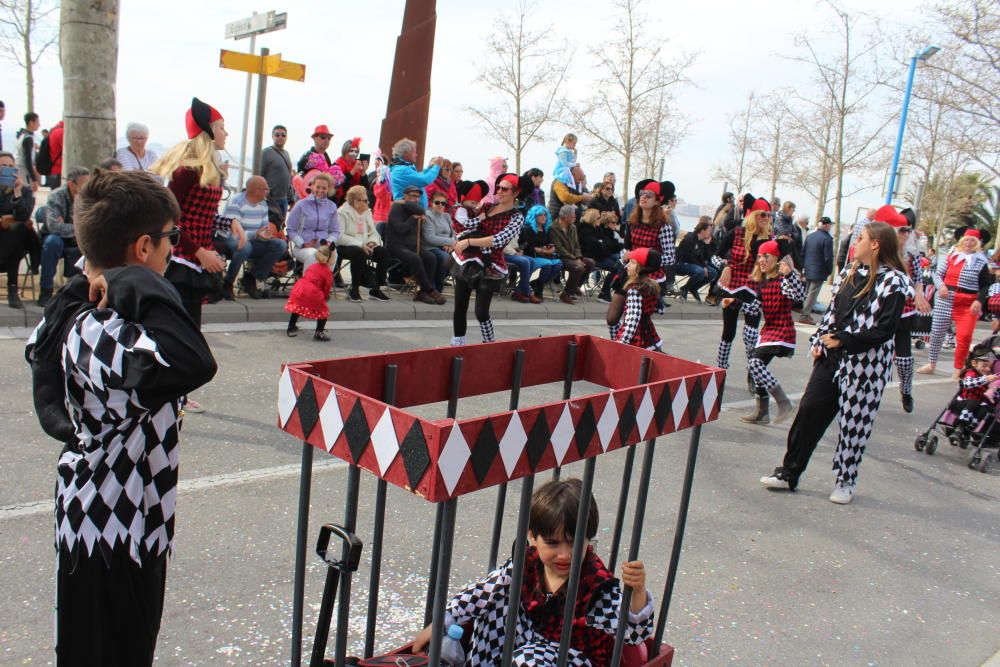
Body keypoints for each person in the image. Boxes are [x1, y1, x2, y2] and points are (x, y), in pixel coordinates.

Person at [26, 168, 217, 666]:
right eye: (169, 240)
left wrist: (113, 277)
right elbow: (192, 359)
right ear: (142, 247)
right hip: (110, 530)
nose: (173, 251)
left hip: (128, 520)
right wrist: (131, 280)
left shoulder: (103, 311)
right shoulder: (98, 327)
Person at [411, 478, 654, 665]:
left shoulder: (595, 585)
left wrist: (638, 592)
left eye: (574, 543)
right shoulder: (526, 564)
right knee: (496, 600)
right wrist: (442, 622)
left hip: (570, 658)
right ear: (532, 538)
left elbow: (632, 635)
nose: (564, 555)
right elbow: (482, 591)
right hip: (521, 650)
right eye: (553, 543)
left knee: (530, 658)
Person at [760, 221, 911, 504]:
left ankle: (845, 480)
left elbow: (885, 329)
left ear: (876, 244)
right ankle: (789, 473)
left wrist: (843, 339)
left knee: (855, 423)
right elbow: (830, 315)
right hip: (832, 359)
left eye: (861, 239)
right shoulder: (848, 274)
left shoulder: (895, 282)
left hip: (867, 367)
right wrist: (820, 341)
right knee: (808, 413)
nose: (856, 244)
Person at [149, 97, 228, 330]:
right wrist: (199, 252)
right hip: (179, 260)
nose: (226, 133)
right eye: (222, 128)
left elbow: (203, 216)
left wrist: (230, 222)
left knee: (189, 329)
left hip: (193, 258)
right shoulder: (187, 171)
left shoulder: (205, 169)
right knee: (179, 331)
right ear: (209, 131)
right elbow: (167, 219)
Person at [733, 240, 805, 425]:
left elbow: (798, 297)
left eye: (766, 256)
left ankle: (784, 402)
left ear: (777, 259)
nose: (761, 260)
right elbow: (754, 309)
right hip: (768, 333)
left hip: (782, 333)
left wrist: (789, 275)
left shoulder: (783, 280)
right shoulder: (763, 283)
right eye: (759, 256)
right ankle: (762, 413)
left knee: (756, 364)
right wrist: (733, 303)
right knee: (755, 369)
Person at [450, 173, 524, 344]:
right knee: (460, 305)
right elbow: (468, 223)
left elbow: (498, 240)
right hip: (468, 258)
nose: (500, 191)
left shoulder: (516, 217)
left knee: (481, 312)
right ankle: (458, 343)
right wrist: (460, 208)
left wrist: (469, 241)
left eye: (504, 189)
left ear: (515, 193)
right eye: (498, 188)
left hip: (491, 264)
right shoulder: (487, 206)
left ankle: (489, 343)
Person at [714, 195, 774, 388]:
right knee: (728, 332)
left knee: (750, 335)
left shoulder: (770, 239)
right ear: (753, 215)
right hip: (732, 289)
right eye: (763, 214)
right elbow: (715, 257)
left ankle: (753, 371)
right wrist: (726, 265)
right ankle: (720, 370)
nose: (766, 218)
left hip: (754, 290)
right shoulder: (736, 232)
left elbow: (773, 268)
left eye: (769, 215)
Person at [919, 227, 992, 378]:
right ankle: (931, 364)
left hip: (967, 303)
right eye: (967, 240)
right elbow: (938, 274)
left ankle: (958, 369)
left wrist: (979, 300)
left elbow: (986, 285)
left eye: (973, 240)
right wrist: (942, 286)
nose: (969, 243)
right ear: (961, 241)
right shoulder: (951, 257)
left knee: (964, 336)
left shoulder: (981, 262)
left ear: (978, 243)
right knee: (937, 332)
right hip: (945, 299)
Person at [888, 207, 931, 412]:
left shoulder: (913, 255)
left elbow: (918, 281)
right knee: (879, 354)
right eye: (901, 230)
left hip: (903, 309)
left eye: (908, 231)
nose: (905, 234)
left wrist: (920, 295)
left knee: (904, 358)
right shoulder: (884, 251)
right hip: (883, 308)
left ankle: (906, 391)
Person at [221, 176, 286, 299]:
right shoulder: (236, 202)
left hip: (254, 240)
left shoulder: (263, 204)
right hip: (233, 240)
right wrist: (255, 234)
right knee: (245, 246)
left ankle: (252, 277)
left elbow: (263, 228)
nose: (268, 191)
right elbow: (233, 233)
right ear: (256, 191)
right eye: (265, 189)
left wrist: (265, 235)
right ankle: (228, 282)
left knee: (279, 245)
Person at [37, 166, 91, 307]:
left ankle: (80, 292)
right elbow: (54, 227)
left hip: (77, 239)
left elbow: (92, 226)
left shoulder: (89, 198)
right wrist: (79, 227)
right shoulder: (56, 196)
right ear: (71, 185)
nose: (87, 188)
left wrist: (71, 226)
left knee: (92, 244)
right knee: (52, 243)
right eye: (84, 184)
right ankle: (46, 290)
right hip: (56, 237)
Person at [387, 185, 445, 305]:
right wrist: (412, 219)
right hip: (396, 246)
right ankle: (430, 289)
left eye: (418, 197)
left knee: (431, 257)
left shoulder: (412, 208)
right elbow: (400, 228)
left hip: (411, 246)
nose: (416, 199)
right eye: (413, 196)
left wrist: (406, 203)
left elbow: (421, 211)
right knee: (416, 258)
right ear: (406, 196)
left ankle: (422, 292)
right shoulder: (397, 208)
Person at [0, 150, 40, 309]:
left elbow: (24, 215)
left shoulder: (24, 190)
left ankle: (12, 289)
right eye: (3, 166)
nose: (8, 169)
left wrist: (16, 192)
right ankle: (12, 290)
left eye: (11, 166)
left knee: (18, 230)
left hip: (16, 238)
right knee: (17, 236)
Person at [337, 184, 390, 302]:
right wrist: (360, 245)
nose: (368, 203)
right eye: (365, 200)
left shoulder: (366, 213)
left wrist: (372, 242)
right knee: (358, 253)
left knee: (383, 252)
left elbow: (374, 232)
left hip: (365, 245)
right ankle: (354, 289)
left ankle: (376, 288)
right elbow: (339, 237)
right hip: (345, 246)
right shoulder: (342, 213)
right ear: (355, 202)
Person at [286, 172, 340, 270]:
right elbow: (290, 229)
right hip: (302, 247)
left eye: (324, 188)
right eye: (318, 187)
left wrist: (328, 242)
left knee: (333, 254)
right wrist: (302, 243)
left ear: (328, 189)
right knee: (314, 255)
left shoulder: (332, 206)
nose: (320, 190)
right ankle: (308, 283)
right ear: (312, 186)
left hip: (323, 245)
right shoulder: (301, 205)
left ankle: (324, 283)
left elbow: (335, 231)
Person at [613, 247, 663, 351]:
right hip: (649, 333)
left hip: (637, 338)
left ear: (641, 267)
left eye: (632, 262)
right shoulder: (651, 284)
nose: (627, 265)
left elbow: (632, 320)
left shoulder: (635, 290)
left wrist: (622, 342)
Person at [285, 243, 335, 341]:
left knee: (297, 307)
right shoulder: (327, 271)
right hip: (313, 291)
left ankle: (291, 326)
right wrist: (324, 297)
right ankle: (319, 332)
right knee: (323, 311)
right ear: (329, 258)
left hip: (300, 287)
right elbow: (327, 287)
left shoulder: (313, 266)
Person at [551, 204, 595, 305]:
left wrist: (578, 257)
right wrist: (574, 259)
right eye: (573, 216)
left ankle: (574, 287)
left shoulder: (573, 227)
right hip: (561, 257)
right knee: (578, 267)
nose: (575, 218)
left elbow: (577, 245)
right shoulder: (553, 228)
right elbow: (559, 248)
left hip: (573, 257)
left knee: (590, 262)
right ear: (565, 217)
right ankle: (566, 294)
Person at [949, 350, 999, 436]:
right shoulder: (971, 373)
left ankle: (969, 428)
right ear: (974, 363)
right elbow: (967, 383)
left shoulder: (989, 377)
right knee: (974, 401)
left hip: (977, 406)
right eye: (984, 366)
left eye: (989, 367)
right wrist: (985, 379)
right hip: (963, 402)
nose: (987, 369)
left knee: (985, 409)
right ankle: (961, 424)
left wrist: (994, 388)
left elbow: (993, 394)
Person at [520, 204, 563, 301]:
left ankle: (536, 284)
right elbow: (529, 248)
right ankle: (538, 290)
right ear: (534, 216)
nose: (544, 217)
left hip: (542, 256)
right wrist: (544, 250)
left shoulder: (545, 229)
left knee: (559, 264)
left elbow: (546, 244)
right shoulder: (528, 228)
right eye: (541, 215)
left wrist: (550, 247)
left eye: (545, 215)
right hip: (530, 256)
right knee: (547, 265)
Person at [578, 208, 622, 302]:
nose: (600, 220)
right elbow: (595, 246)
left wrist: (601, 244)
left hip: (600, 256)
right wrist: (601, 244)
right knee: (617, 266)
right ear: (592, 218)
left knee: (620, 264)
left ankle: (607, 291)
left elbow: (603, 244)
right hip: (591, 257)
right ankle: (604, 293)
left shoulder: (596, 229)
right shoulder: (585, 229)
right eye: (598, 218)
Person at [799, 216, 834, 324]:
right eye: (830, 225)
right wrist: (829, 270)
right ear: (827, 225)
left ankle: (805, 313)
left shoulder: (810, 236)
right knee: (812, 294)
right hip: (819, 270)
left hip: (808, 268)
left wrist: (804, 267)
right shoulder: (827, 239)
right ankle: (804, 315)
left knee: (807, 292)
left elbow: (803, 253)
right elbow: (828, 257)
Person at [389, 137, 441, 207]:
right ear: (406, 153)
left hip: (410, 210)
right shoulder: (402, 170)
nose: (416, 155)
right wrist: (437, 166)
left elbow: (418, 177)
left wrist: (429, 168)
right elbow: (425, 180)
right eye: (414, 152)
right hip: (408, 212)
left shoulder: (401, 168)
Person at [422, 189, 456, 294]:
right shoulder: (428, 216)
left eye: (443, 203)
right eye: (437, 202)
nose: (440, 205)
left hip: (447, 246)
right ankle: (436, 288)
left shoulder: (446, 216)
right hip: (431, 247)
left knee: (459, 258)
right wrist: (450, 242)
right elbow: (430, 238)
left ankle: (438, 286)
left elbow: (455, 232)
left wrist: (451, 244)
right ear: (431, 203)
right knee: (445, 257)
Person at [675, 220, 718, 302]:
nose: (710, 233)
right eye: (709, 231)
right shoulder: (690, 238)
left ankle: (693, 288)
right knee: (700, 271)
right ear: (702, 231)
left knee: (713, 273)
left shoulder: (700, 241)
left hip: (692, 263)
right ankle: (685, 289)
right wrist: (702, 267)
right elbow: (689, 257)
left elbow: (701, 257)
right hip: (681, 263)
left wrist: (705, 266)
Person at [260, 125, 295, 218]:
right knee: (269, 229)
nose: (280, 137)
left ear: (286, 137)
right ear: (272, 136)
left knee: (279, 229)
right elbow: (260, 175)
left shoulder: (287, 154)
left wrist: (291, 200)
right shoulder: (266, 152)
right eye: (277, 135)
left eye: (283, 135)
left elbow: (288, 178)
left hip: (284, 200)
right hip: (270, 200)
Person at [332, 137, 369, 205]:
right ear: (345, 151)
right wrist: (353, 171)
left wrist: (363, 172)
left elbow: (364, 188)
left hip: (355, 202)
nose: (354, 154)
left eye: (356, 152)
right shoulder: (336, 166)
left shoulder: (357, 164)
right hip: (340, 203)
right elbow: (342, 186)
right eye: (351, 151)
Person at [16, 112, 40, 192]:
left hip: (18, 169)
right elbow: (28, 160)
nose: (39, 125)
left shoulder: (22, 135)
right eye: (37, 122)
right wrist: (34, 179)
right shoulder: (28, 138)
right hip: (24, 171)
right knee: (28, 196)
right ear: (31, 123)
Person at [47, 120, 64, 189]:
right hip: (59, 170)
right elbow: (68, 150)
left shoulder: (54, 131)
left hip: (53, 169)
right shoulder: (61, 132)